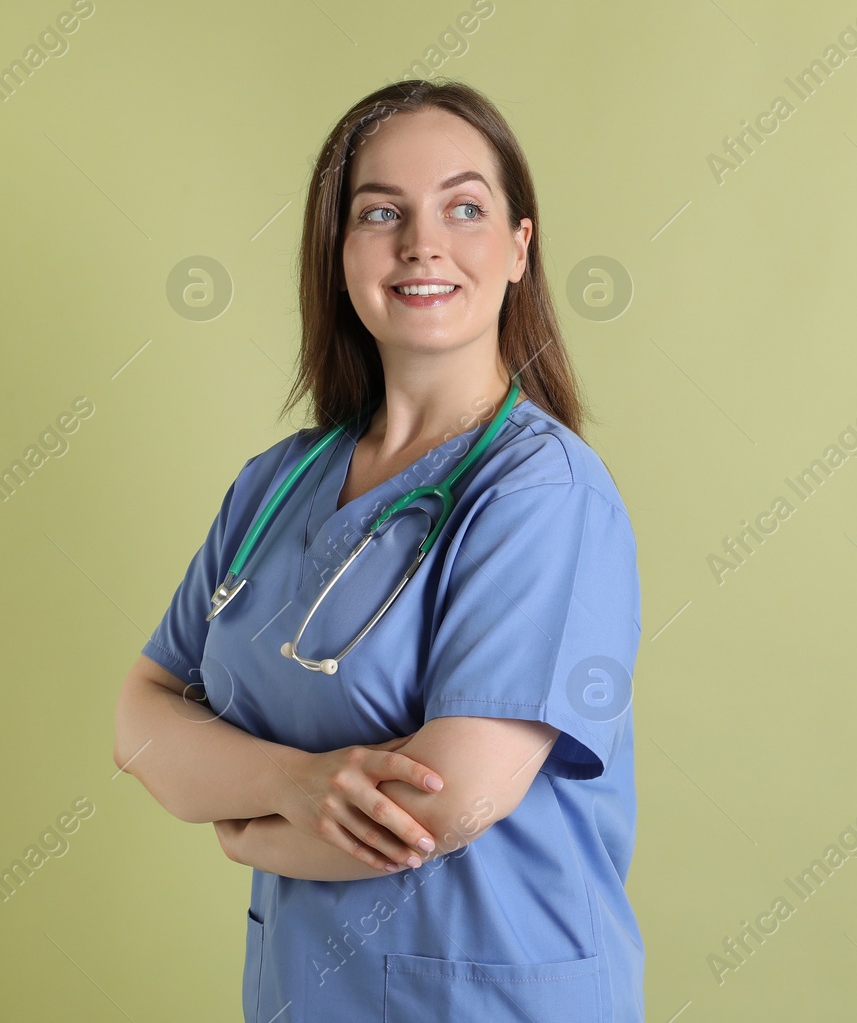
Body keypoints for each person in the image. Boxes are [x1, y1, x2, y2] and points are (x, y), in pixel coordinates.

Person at [111, 79, 644, 1022]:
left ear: (520, 248)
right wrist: (291, 785)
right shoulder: (274, 484)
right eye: (380, 212)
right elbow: (141, 719)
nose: (422, 244)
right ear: (341, 252)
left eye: (464, 207)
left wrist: (242, 828)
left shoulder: (543, 493)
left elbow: (446, 804)